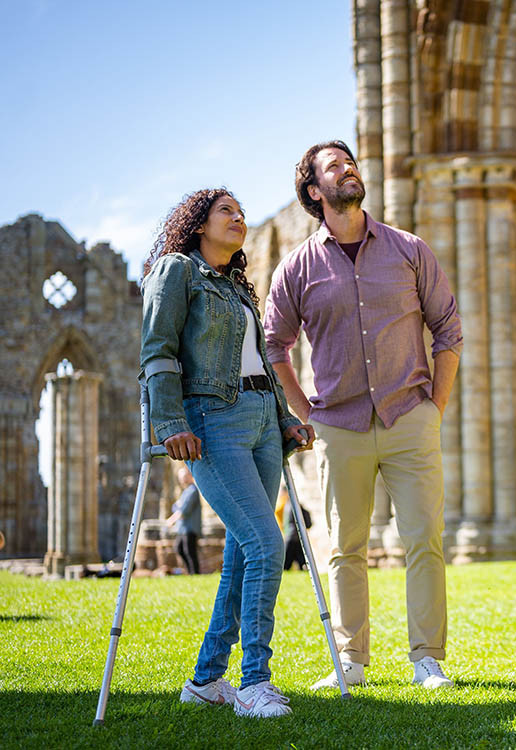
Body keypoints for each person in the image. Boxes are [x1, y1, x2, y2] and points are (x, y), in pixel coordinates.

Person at [264, 140, 462, 690]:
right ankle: (350, 660)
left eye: (351, 162)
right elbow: (273, 345)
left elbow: (447, 328)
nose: (349, 169)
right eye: (335, 166)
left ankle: (427, 658)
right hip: (338, 427)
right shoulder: (297, 267)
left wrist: (434, 407)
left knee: (424, 539)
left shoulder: (408, 250)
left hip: (409, 417)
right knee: (344, 548)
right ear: (313, 190)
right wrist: (305, 413)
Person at [140, 188, 315, 718]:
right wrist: (170, 422)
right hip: (213, 421)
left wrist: (286, 419)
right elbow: (158, 348)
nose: (238, 219)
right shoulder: (177, 271)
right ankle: (256, 682)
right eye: (226, 212)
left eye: (242, 213)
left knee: (244, 551)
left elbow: (260, 358)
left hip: (263, 420)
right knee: (266, 543)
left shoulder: (238, 285)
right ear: (198, 224)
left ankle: (207, 679)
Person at [167, 465, 202, 574]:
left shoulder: (193, 490)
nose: (182, 479)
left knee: (190, 552)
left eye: (184, 476)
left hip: (190, 528)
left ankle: (195, 573)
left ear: (190, 476)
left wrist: (171, 520)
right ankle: (191, 572)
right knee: (180, 549)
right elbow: (176, 507)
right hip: (182, 528)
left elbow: (184, 510)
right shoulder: (185, 492)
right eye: (180, 477)